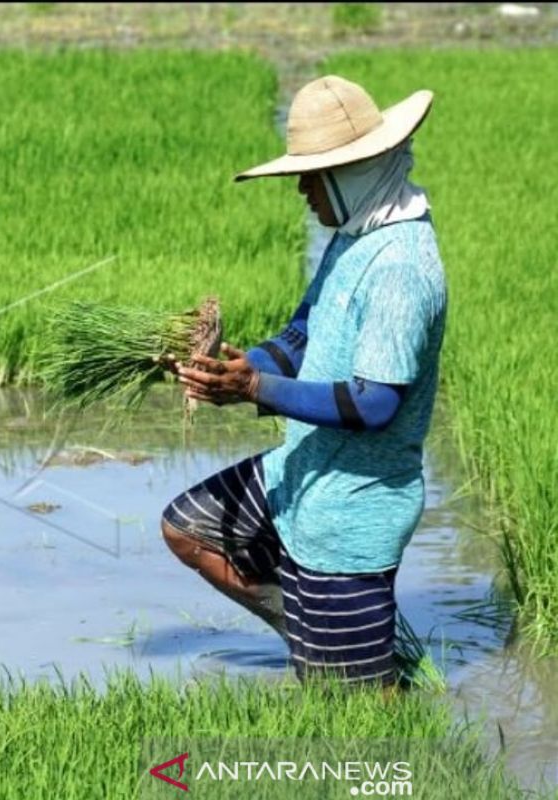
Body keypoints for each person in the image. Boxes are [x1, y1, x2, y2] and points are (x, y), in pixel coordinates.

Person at [160, 75, 447, 689]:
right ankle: (324, 639)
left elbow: (375, 404)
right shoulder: (354, 237)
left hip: (352, 507)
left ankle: (361, 675)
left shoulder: (401, 269)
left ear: (354, 172)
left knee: (360, 722)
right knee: (187, 526)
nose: (300, 188)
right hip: (304, 467)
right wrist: (236, 367)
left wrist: (253, 391)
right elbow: (303, 333)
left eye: (312, 175)